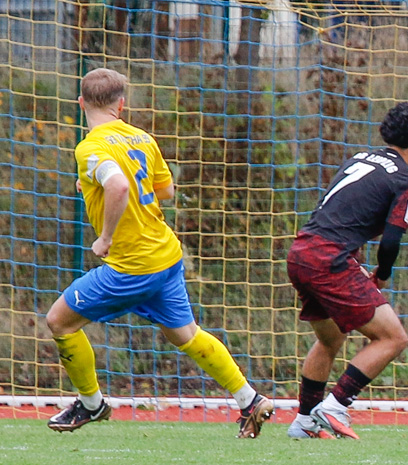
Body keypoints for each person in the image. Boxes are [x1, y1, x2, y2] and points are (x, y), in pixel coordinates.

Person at [46, 68, 273, 436]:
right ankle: (249, 398)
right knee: (186, 335)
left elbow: (119, 186)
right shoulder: (142, 138)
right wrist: (92, 184)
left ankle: (91, 404)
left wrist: (105, 238)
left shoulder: (90, 147)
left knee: (59, 321)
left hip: (132, 265)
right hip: (165, 256)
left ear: (81, 103)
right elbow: (164, 190)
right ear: (122, 104)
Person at [286, 101, 408, 440]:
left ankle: (305, 421)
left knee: (330, 339)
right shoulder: (407, 181)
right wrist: (382, 274)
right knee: (393, 338)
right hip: (329, 261)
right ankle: (335, 406)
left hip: (301, 253)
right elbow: (390, 243)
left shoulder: (360, 158)